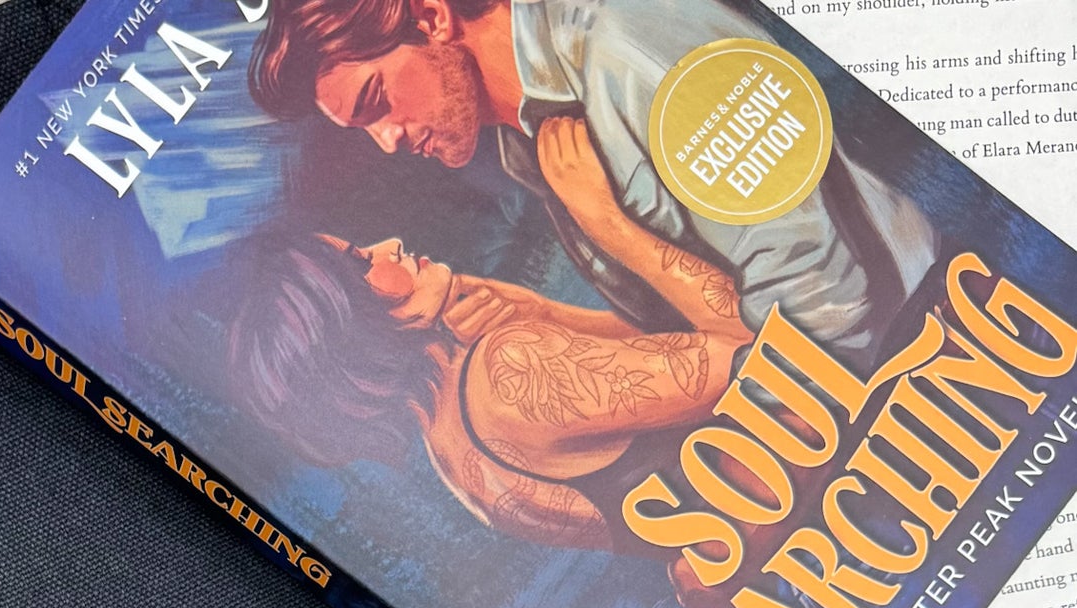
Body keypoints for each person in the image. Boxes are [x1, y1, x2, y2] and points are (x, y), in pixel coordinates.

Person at [248, 0, 937, 360]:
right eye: (364, 130)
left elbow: (829, 302)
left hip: (922, 341)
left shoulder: (622, 40)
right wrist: (540, 315)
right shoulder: (529, 142)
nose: (389, 141)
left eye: (376, 103)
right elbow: (692, 318)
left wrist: (749, 463)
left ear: (430, 16)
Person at [231, 117, 753, 549]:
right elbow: (763, 354)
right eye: (363, 262)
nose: (389, 245)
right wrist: (606, 221)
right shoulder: (507, 371)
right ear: (351, 330)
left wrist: (541, 312)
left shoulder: (455, 459)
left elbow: (669, 355)